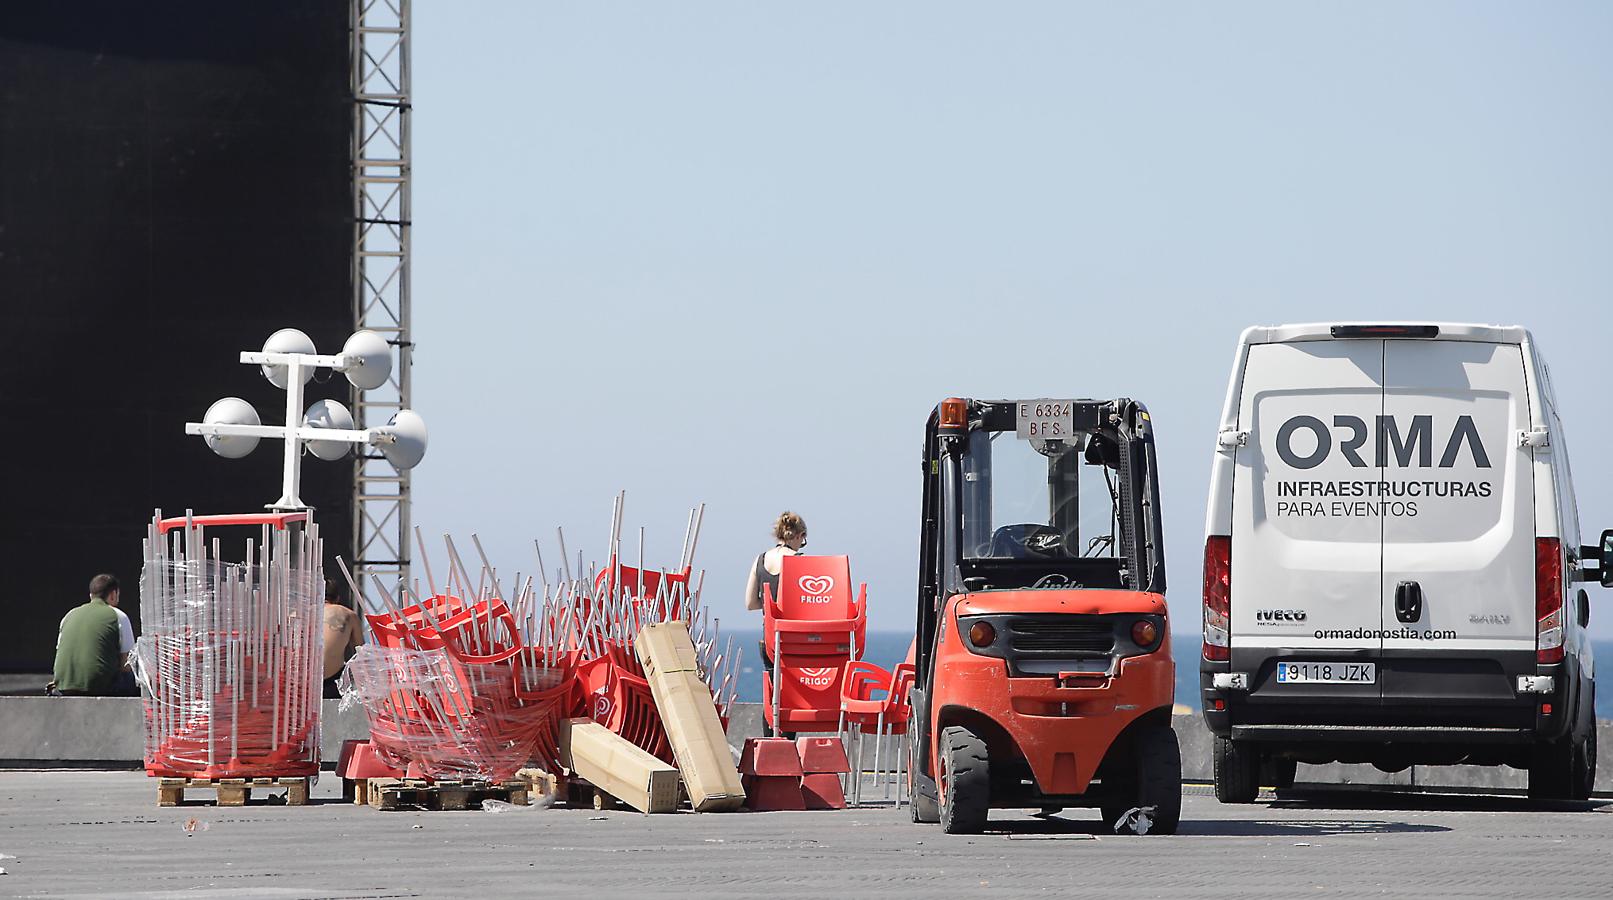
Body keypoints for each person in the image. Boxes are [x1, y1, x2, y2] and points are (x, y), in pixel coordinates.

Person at [51, 574, 135, 696]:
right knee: (133, 679)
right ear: (113, 594)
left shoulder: (69, 615)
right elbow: (126, 665)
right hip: (101, 687)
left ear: (91, 595)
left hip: (63, 687)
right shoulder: (118, 616)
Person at [745, 511, 808, 612]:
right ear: (799, 535)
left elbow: (750, 604)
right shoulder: (801, 560)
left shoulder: (760, 559)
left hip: (770, 627)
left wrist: (772, 602)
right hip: (794, 626)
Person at [322, 578, 364, 699]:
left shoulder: (298, 614)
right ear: (337, 598)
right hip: (333, 682)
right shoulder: (348, 615)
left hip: (301, 682)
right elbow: (360, 653)